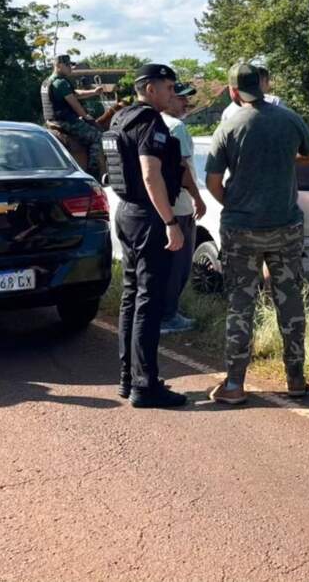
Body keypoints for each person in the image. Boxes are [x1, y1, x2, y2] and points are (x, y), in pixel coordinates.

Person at [205, 62, 309, 405]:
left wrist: (234, 201)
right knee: (290, 299)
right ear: (263, 86)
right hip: (286, 225)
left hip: (241, 229)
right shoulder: (289, 119)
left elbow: (212, 181)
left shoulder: (228, 126)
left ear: (233, 91)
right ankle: (296, 380)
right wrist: (286, 162)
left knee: (242, 303)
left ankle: (235, 384)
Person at [103, 63, 189, 409]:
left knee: (131, 295)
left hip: (126, 213)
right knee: (149, 302)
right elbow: (151, 174)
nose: (172, 94)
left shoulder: (119, 119)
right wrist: (170, 221)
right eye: (169, 87)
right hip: (149, 217)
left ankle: (128, 377)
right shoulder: (149, 122)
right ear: (150, 88)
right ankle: (145, 384)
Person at [160, 81, 207, 334]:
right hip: (179, 206)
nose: (186, 103)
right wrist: (198, 198)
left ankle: (164, 314)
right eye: (181, 99)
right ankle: (169, 316)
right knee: (179, 265)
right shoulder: (177, 127)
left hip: (162, 206)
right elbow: (184, 169)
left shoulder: (154, 122)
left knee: (164, 265)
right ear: (169, 98)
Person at [41, 54, 105, 179]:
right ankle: (94, 172)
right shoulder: (60, 82)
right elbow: (75, 105)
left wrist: (94, 92)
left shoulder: (48, 81)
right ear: (58, 65)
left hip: (51, 121)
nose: (70, 68)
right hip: (66, 122)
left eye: (71, 65)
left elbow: (74, 94)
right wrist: (87, 118)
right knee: (98, 137)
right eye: (67, 65)